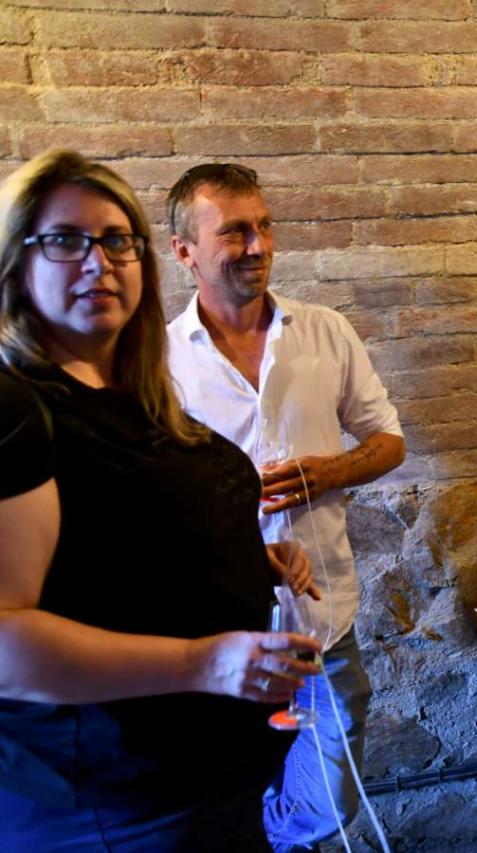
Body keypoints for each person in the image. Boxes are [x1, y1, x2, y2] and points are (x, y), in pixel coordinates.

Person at [0, 149, 321, 850]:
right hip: (115, 807)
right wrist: (205, 660)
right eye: (65, 240)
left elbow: (109, 552)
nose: (99, 262)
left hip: (203, 794)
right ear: (15, 265)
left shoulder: (133, 394)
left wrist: (241, 557)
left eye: (118, 240)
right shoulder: (17, 404)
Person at [165, 163, 405, 850]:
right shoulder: (157, 359)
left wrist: (332, 470)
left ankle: (282, 839)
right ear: (184, 251)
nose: (259, 246)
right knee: (230, 786)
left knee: (331, 790)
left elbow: (389, 441)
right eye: (234, 232)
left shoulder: (325, 330)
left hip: (324, 616)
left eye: (265, 226)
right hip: (220, 632)